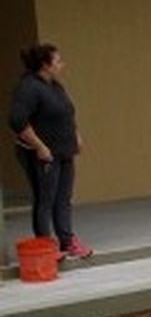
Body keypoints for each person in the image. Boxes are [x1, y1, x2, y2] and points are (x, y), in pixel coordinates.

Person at [8, 43, 92, 259]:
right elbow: (17, 121)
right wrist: (40, 146)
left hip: (64, 151)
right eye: (58, 61)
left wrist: (76, 135)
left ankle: (67, 241)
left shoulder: (55, 86)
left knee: (63, 198)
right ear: (45, 65)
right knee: (45, 199)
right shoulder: (28, 87)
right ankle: (45, 243)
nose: (62, 65)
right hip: (43, 155)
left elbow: (67, 112)